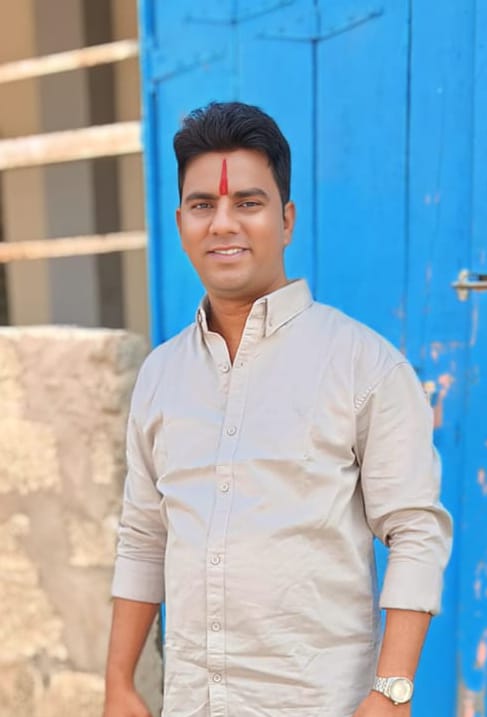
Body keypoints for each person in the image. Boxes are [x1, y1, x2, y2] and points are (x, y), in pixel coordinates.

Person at [103, 102, 452, 717]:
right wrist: (118, 682)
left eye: (248, 203)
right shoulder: (161, 376)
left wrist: (392, 691)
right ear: (180, 222)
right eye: (203, 205)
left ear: (286, 220)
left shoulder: (363, 364)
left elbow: (416, 531)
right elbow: (143, 537)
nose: (223, 224)